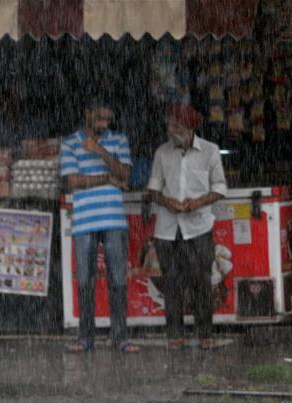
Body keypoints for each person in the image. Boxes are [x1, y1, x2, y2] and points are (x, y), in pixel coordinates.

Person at [146, 104, 228, 350]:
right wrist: (166, 201)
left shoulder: (210, 152)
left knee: (201, 282)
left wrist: (198, 202)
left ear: (190, 127)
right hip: (167, 229)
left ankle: (205, 334)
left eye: (176, 126)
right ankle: (175, 335)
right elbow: (153, 189)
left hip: (198, 227)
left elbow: (220, 187)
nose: (171, 130)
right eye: (170, 125)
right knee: (171, 282)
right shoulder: (162, 152)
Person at [60, 97, 139, 353]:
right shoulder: (69, 142)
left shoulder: (119, 140)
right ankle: (85, 338)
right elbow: (73, 180)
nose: (103, 124)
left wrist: (100, 151)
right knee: (85, 281)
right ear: (87, 114)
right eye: (99, 118)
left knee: (118, 280)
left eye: (107, 119)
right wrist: (107, 177)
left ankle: (120, 337)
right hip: (84, 221)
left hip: (114, 219)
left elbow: (126, 175)